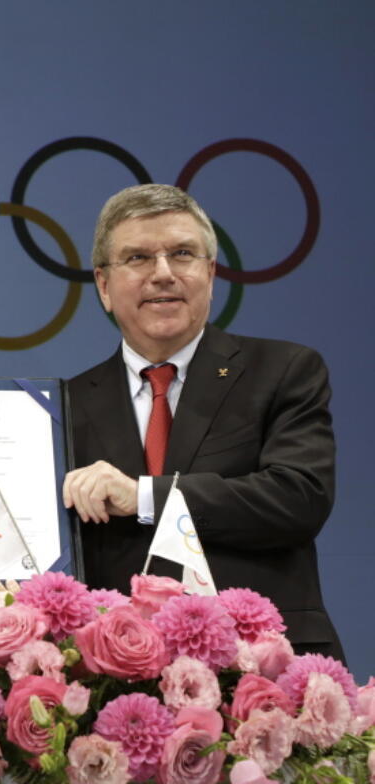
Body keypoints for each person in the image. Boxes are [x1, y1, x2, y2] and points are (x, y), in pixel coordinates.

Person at [61, 183, 344, 660]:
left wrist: (146, 496)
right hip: (118, 686)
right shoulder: (62, 407)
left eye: (183, 254)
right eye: (138, 259)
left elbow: (300, 497)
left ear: (210, 274)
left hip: (266, 665)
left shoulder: (284, 370)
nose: (164, 274)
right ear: (104, 287)